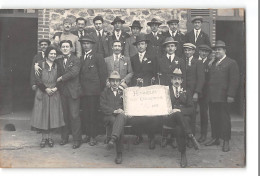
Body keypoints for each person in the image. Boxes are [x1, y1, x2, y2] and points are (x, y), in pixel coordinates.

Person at [205, 40, 239, 152]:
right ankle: (215, 138)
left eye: (219, 49)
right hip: (212, 96)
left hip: (224, 96)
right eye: (216, 49)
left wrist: (231, 95)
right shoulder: (213, 63)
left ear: (225, 50)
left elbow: (234, 80)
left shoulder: (231, 62)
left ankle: (226, 141)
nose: (217, 51)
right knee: (214, 118)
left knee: (224, 119)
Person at [164, 68, 200, 167]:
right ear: (171, 80)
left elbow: (192, 109)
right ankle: (191, 136)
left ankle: (183, 154)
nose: (176, 81)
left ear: (181, 81)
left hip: (182, 120)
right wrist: (175, 111)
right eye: (174, 79)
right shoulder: (166, 91)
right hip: (169, 118)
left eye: (179, 79)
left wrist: (179, 110)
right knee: (179, 117)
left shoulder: (186, 92)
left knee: (180, 127)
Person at [31, 46, 65, 148]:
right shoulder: (40, 64)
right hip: (42, 93)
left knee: (52, 116)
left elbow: (61, 79)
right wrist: (45, 89)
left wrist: (55, 88)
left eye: (55, 54)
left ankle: (50, 138)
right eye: (51, 53)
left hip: (54, 93)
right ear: (47, 54)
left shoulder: (58, 65)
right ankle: (43, 138)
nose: (53, 55)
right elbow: (37, 79)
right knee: (43, 116)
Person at [130, 34, 158, 148]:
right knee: (138, 114)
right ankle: (138, 135)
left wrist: (149, 81)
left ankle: (151, 137)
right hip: (137, 90)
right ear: (136, 46)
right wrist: (136, 81)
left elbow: (155, 74)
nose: (140, 46)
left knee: (150, 114)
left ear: (146, 45)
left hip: (148, 90)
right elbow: (132, 74)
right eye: (138, 44)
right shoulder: (133, 58)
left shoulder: (153, 57)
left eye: (142, 44)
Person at [79, 36, 107, 146]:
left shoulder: (98, 57)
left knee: (93, 114)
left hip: (94, 92)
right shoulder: (81, 58)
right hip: (83, 91)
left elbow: (103, 74)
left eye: (87, 43)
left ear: (92, 45)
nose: (85, 45)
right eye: (84, 43)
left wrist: (100, 90)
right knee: (85, 114)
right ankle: (86, 134)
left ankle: (93, 136)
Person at [55, 40, 82, 149]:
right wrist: (38, 64)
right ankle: (64, 137)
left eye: (67, 46)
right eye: (63, 47)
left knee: (74, 116)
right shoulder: (58, 60)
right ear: (60, 49)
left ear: (71, 48)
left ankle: (77, 139)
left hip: (73, 92)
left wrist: (61, 78)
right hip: (62, 92)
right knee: (64, 116)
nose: (65, 48)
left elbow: (74, 73)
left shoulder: (76, 59)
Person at [100, 71, 130, 164]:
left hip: (122, 116)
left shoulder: (124, 92)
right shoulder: (105, 92)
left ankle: (112, 139)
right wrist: (114, 111)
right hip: (109, 117)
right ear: (109, 81)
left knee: (120, 118)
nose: (115, 83)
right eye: (113, 81)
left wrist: (123, 110)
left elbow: (128, 105)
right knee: (117, 122)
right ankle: (119, 153)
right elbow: (102, 106)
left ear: (120, 82)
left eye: (117, 81)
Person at [183, 43, 205, 141]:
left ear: (193, 51)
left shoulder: (198, 62)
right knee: (183, 114)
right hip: (183, 92)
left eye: (189, 50)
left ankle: (191, 137)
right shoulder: (181, 61)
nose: (187, 52)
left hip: (193, 93)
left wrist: (196, 92)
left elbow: (201, 79)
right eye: (185, 50)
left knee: (192, 114)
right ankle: (183, 135)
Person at [197, 44, 212, 143]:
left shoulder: (210, 63)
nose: (204, 53)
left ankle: (203, 134)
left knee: (203, 113)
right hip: (194, 91)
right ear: (199, 51)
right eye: (202, 51)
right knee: (191, 112)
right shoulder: (194, 61)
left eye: (206, 52)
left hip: (205, 93)